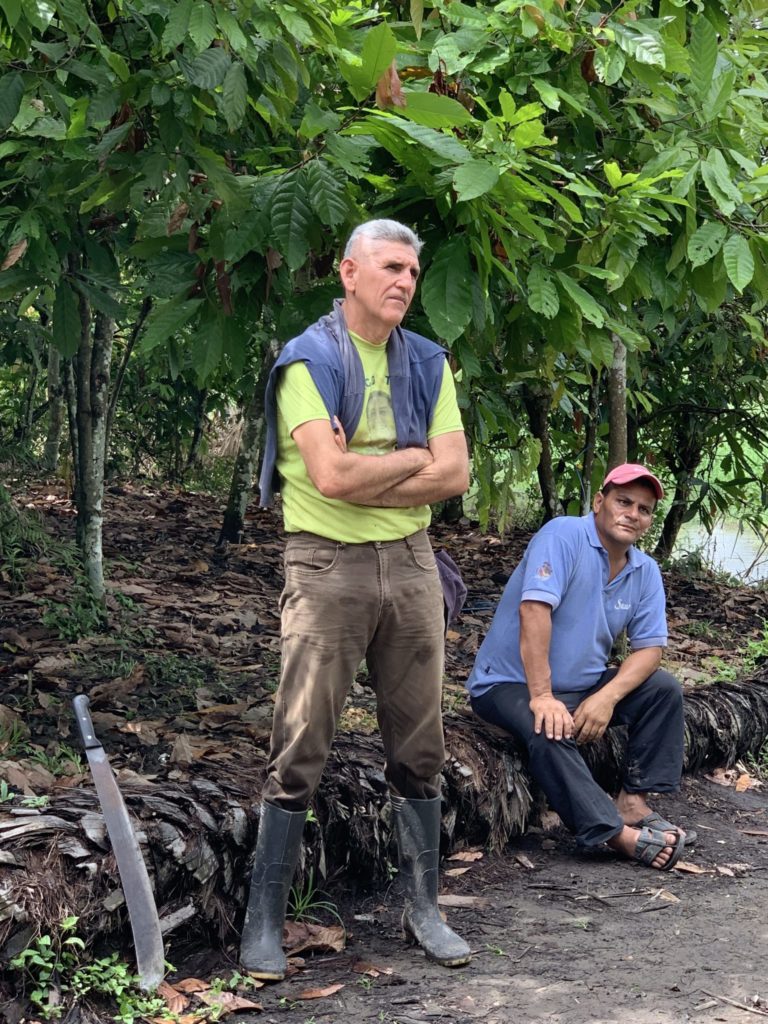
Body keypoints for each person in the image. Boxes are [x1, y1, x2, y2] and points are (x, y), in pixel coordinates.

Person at [241, 219, 471, 979]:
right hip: (325, 563)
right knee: (302, 740)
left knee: (421, 744)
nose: (404, 281)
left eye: (412, 270)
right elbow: (330, 480)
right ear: (348, 272)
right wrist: (411, 459)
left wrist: (379, 460)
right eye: (390, 268)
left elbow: (455, 475)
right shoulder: (306, 360)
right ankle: (264, 922)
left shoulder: (430, 363)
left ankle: (424, 911)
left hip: (411, 564)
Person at [466, 463, 694, 872]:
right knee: (548, 726)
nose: (632, 514)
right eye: (624, 501)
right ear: (599, 501)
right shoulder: (563, 535)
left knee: (663, 690)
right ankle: (613, 834)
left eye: (643, 509)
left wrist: (607, 696)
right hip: (508, 683)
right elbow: (534, 610)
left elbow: (650, 649)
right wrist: (542, 696)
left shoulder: (645, 571)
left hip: (583, 684)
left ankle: (633, 805)